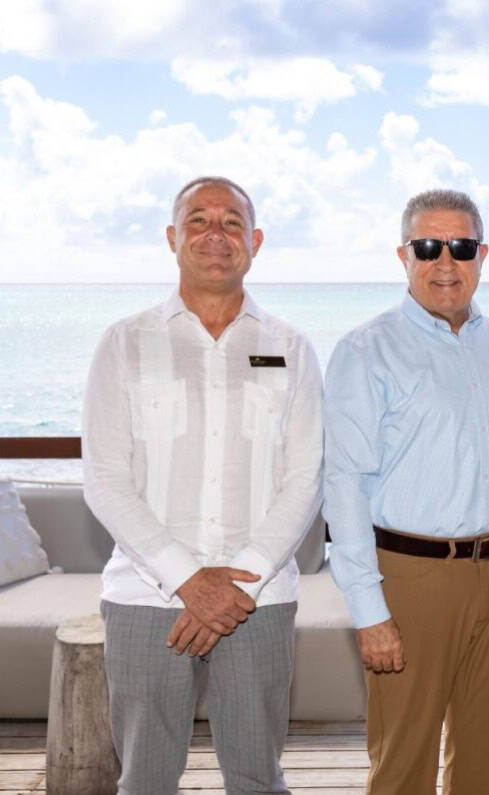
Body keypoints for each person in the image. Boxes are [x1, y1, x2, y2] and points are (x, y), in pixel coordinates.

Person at [82, 176, 324, 794]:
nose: (215, 235)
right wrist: (189, 582)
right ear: (172, 237)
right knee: (145, 779)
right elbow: (106, 479)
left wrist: (235, 580)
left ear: (255, 241)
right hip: (146, 599)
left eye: (232, 222)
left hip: (258, 602)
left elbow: (306, 477)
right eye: (198, 220)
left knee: (257, 778)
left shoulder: (291, 347)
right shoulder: (124, 343)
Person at [322, 189, 489, 795]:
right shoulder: (366, 350)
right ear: (403, 255)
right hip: (408, 579)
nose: (445, 262)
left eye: (461, 247)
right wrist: (369, 611)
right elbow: (344, 483)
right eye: (428, 247)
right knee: (403, 766)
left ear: (482, 255)